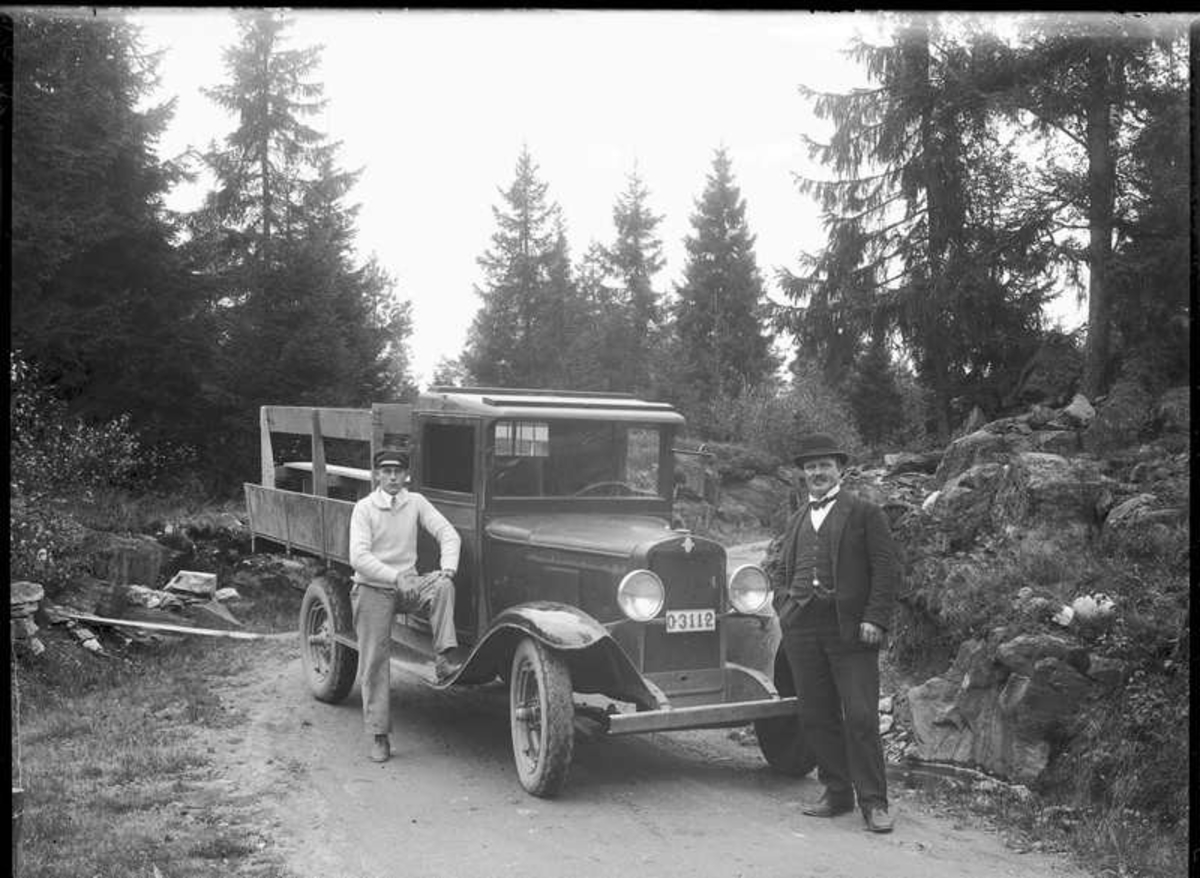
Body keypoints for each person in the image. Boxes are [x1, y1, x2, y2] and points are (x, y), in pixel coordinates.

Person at [765, 433, 900, 833]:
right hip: (802, 630)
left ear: (840, 469)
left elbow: (886, 570)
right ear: (803, 474)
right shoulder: (796, 519)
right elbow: (781, 570)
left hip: (851, 630)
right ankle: (837, 792)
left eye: (824, 465)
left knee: (860, 716)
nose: (817, 473)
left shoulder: (864, 513)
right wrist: (785, 608)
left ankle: (874, 802)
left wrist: (875, 619)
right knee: (816, 714)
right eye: (811, 467)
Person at [349, 448, 463, 763]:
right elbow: (358, 557)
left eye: (398, 471)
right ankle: (379, 735)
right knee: (374, 660)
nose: (392, 477)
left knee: (443, 586)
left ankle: (444, 658)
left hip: (408, 585)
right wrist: (395, 577)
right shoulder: (364, 508)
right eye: (386, 471)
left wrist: (448, 568)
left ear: (406, 475)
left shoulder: (416, 502)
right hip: (373, 587)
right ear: (376, 475)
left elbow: (449, 534)